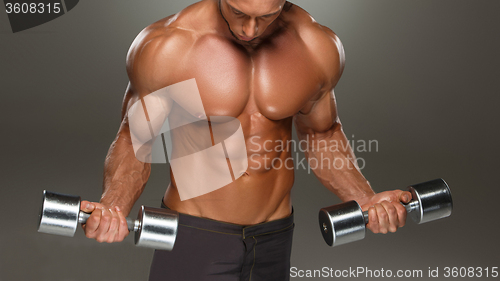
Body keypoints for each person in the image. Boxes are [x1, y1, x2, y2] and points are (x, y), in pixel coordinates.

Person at [80, 0, 412, 280]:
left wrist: (365, 198)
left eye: (266, 17)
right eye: (239, 12)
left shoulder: (315, 45)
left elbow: (320, 133)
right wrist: (114, 205)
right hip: (196, 235)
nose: (250, 30)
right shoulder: (170, 46)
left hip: (274, 237)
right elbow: (135, 140)